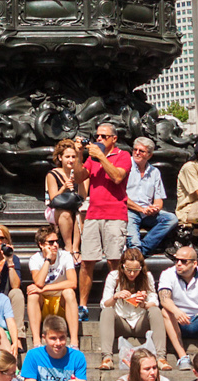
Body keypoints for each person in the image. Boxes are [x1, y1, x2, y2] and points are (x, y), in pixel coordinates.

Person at [77, 123, 133, 306]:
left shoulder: (123, 156)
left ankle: (114, 301)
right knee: (87, 262)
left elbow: (117, 177)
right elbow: (79, 177)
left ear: (114, 139)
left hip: (115, 214)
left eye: (103, 136)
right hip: (93, 214)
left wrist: (101, 156)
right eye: (97, 136)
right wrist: (79, 155)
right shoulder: (91, 159)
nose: (99, 139)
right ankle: (83, 305)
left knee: (114, 261)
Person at [157, 244, 198, 364]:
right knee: (165, 310)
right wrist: (177, 311)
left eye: (183, 261)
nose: (178, 264)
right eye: (176, 260)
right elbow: (164, 299)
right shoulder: (167, 274)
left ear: (194, 264)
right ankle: (183, 357)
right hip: (177, 322)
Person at [100, 246, 159, 368]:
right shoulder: (114, 276)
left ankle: (161, 357)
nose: (132, 274)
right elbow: (104, 303)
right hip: (121, 322)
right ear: (122, 266)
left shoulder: (147, 277)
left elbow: (155, 302)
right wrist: (116, 297)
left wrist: (144, 303)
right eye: (128, 270)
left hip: (140, 321)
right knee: (107, 312)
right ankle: (107, 357)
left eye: (136, 270)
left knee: (155, 311)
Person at [25, 225, 80, 346]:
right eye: (51, 242)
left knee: (69, 292)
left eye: (57, 241)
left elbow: (72, 282)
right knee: (32, 295)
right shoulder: (35, 259)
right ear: (41, 244)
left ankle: (75, 342)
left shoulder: (65, 256)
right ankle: (36, 341)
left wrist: (45, 288)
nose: (55, 245)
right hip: (44, 304)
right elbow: (38, 282)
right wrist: (48, 260)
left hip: (61, 304)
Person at [124, 137, 176, 256]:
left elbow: (159, 198)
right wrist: (141, 209)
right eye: (135, 150)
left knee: (171, 219)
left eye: (141, 151)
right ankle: (138, 252)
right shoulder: (125, 167)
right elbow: (121, 196)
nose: (137, 153)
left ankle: (142, 250)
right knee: (134, 242)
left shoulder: (155, 172)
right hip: (129, 210)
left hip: (147, 212)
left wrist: (155, 208)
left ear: (149, 155)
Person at [42, 137, 87, 257]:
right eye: (67, 157)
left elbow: (83, 196)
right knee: (65, 213)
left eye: (74, 157)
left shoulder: (83, 172)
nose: (71, 160)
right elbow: (53, 199)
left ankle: (76, 248)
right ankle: (68, 247)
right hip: (58, 208)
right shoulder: (52, 174)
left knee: (80, 212)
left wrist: (80, 179)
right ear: (60, 158)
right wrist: (64, 187)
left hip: (77, 206)